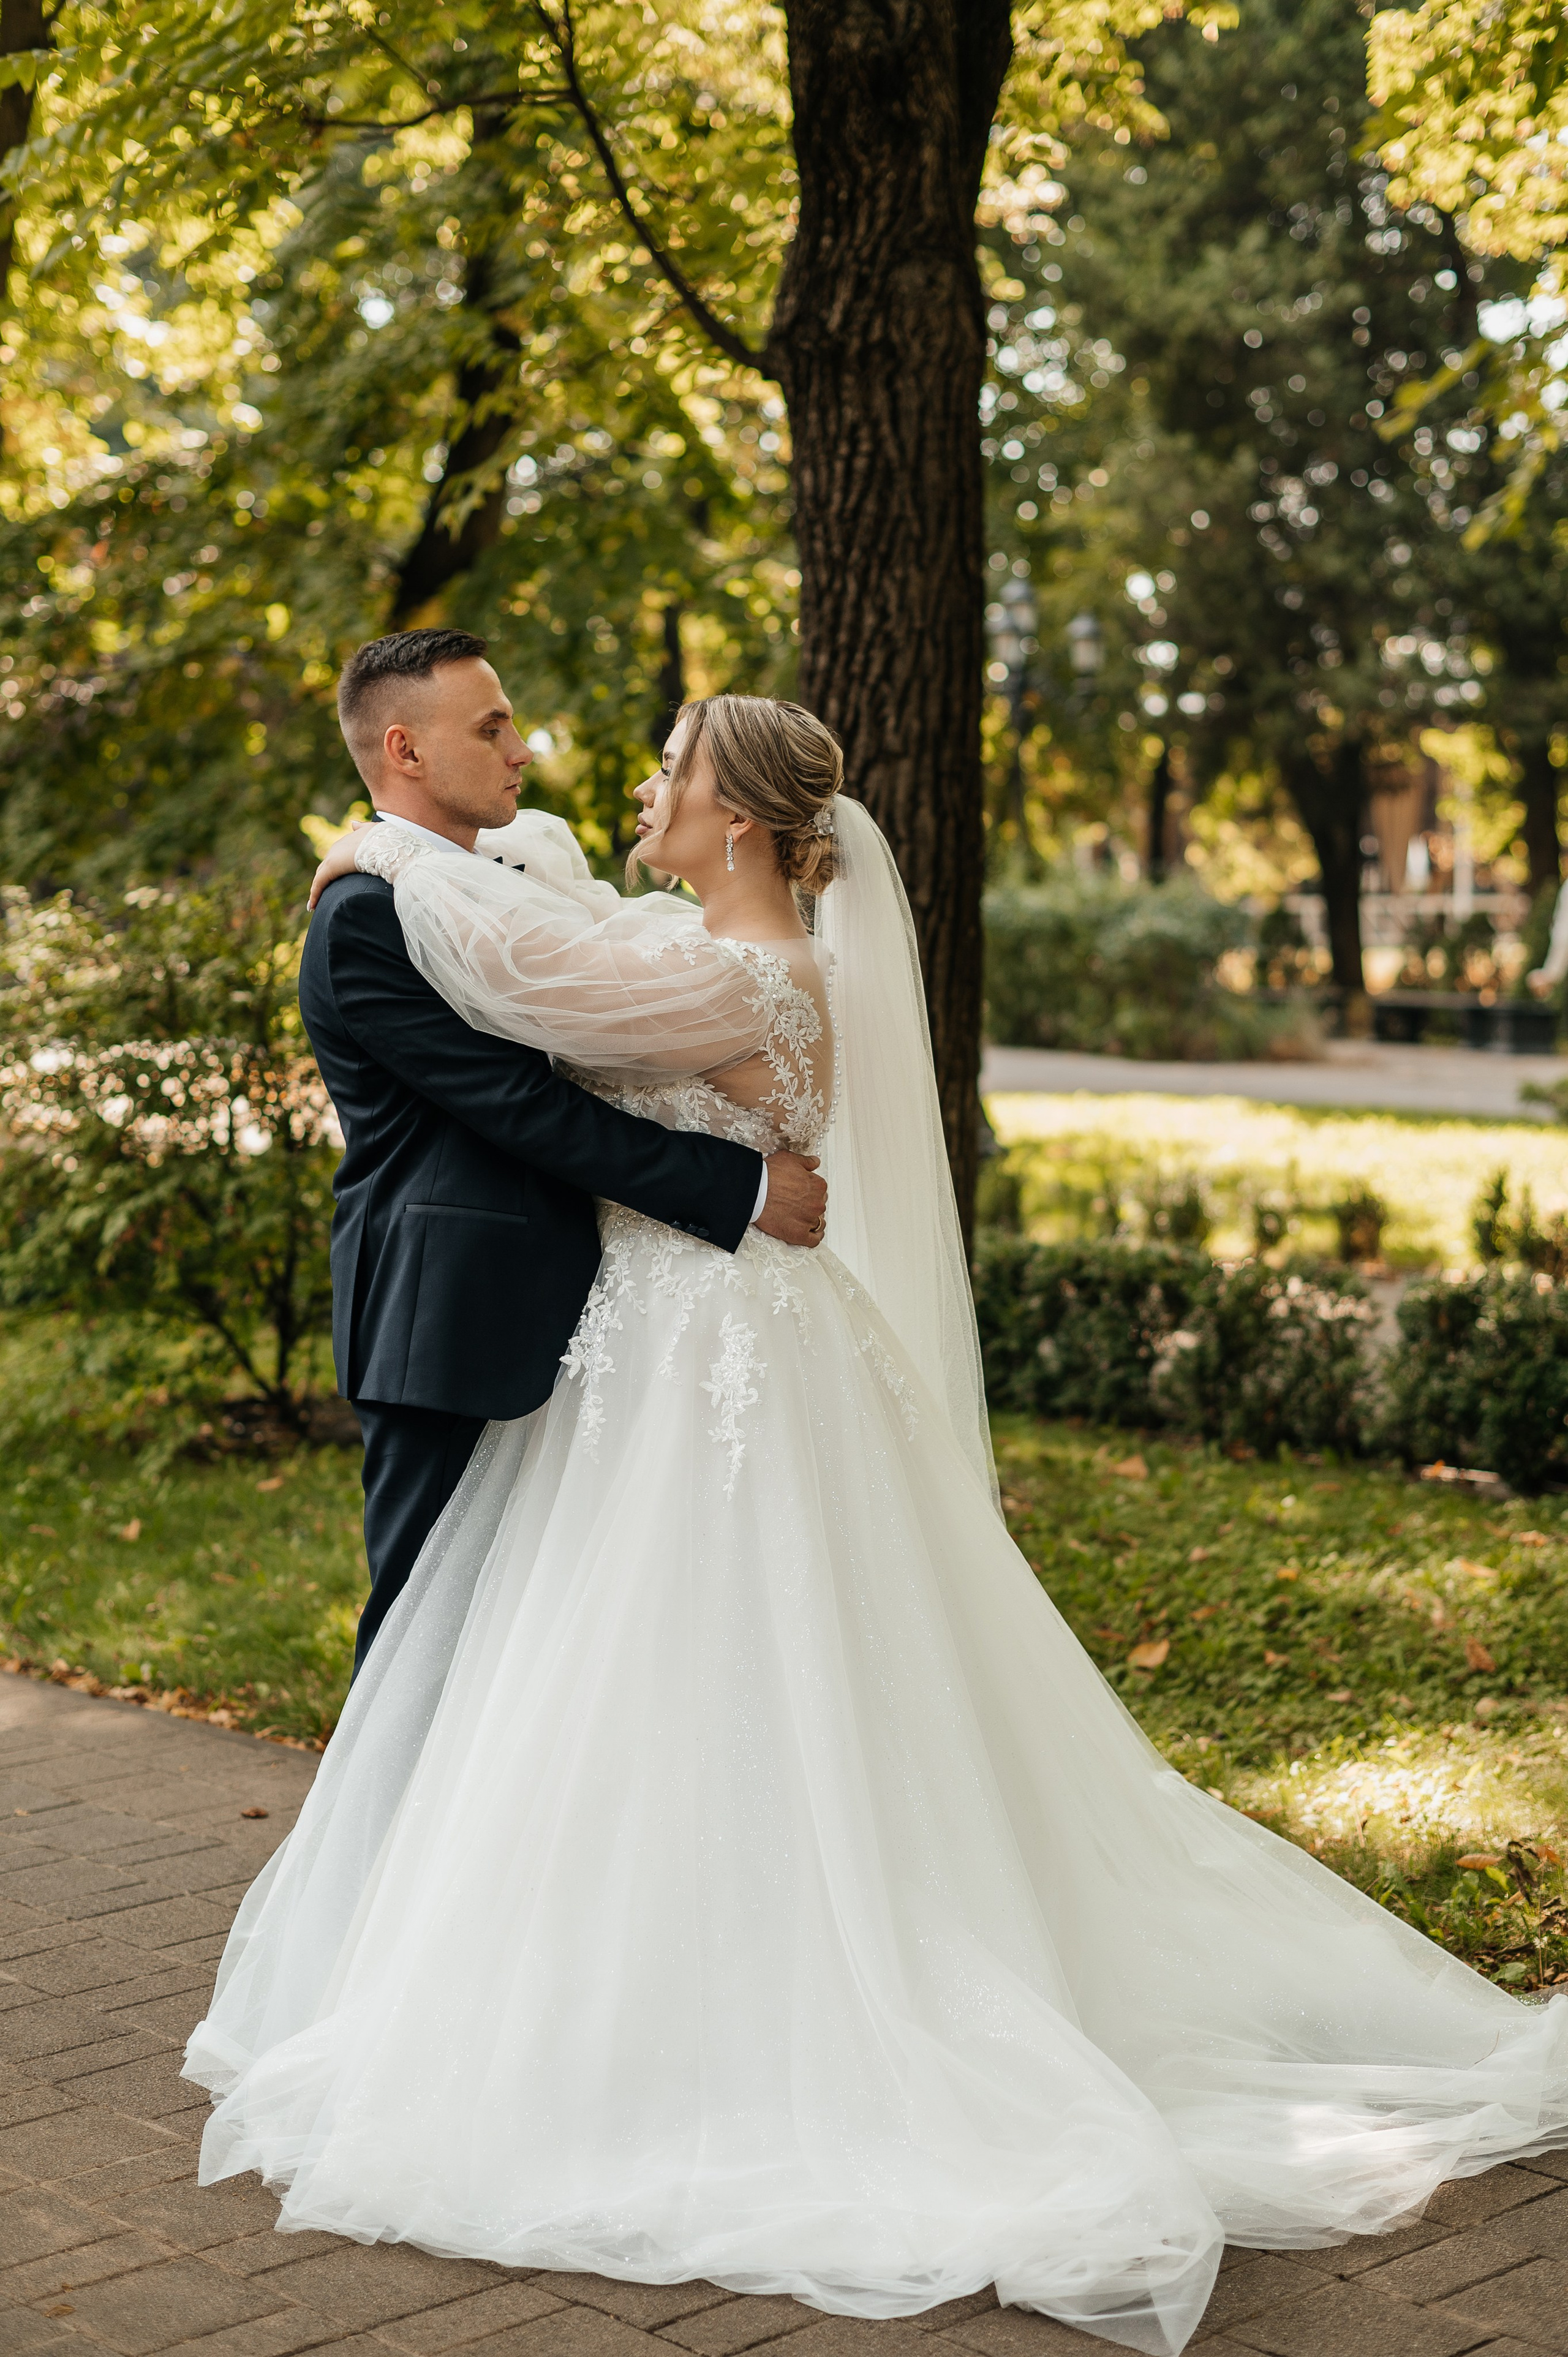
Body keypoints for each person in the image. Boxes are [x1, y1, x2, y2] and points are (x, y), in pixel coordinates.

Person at [188, 695, 1568, 2357]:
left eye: (676, 773)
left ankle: (700, 2027)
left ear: (747, 824)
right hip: (690, 1341)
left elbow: (508, 984)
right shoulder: (706, 943)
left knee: (690, 1674)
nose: (641, 785)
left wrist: (385, 862)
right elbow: (558, 950)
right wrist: (453, 854)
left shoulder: (726, 976)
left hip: (709, 1359)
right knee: (655, 1683)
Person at [296, 630, 827, 1670]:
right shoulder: (367, 917)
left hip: (592, 1318)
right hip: (447, 1314)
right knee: (424, 1638)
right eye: (491, 728)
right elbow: (521, 1110)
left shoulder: (474, 893)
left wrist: (389, 844)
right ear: (404, 750)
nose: (522, 749)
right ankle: (388, 1839)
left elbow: (584, 969)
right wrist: (742, 1183)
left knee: (537, 1651)